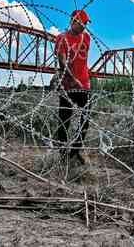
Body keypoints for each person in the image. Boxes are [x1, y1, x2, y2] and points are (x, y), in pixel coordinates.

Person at [53, 10, 92, 166]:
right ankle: (62, 154)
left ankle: (75, 151)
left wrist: (80, 79)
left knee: (86, 118)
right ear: (72, 21)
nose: (84, 26)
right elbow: (62, 61)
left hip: (84, 83)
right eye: (81, 23)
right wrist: (72, 78)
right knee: (65, 120)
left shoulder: (87, 38)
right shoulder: (61, 38)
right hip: (68, 85)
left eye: (86, 23)